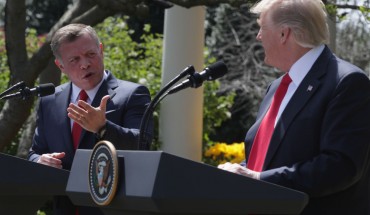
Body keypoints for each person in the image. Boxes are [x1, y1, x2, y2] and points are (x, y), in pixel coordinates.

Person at [218, 0, 370, 214]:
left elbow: (341, 166)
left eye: (262, 27)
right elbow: (268, 159)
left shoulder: (347, 81)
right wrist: (237, 172)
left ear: (284, 34)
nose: (258, 36)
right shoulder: (276, 88)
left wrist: (259, 179)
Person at [28, 23, 153, 215]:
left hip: (112, 209)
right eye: (74, 60)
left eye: (90, 55)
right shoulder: (49, 101)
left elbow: (142, 145)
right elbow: (35, 152)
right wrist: (40, 161)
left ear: (101, 50)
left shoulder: (132, 94)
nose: (85, 64)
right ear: (60, 66)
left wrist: (103, 128)